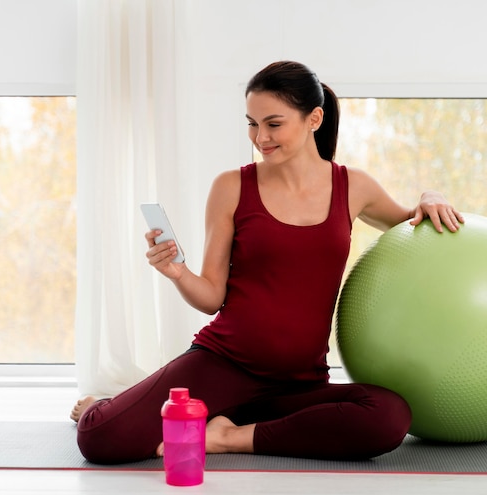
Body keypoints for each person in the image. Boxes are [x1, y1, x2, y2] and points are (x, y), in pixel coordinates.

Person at [71, 60, 464, 464]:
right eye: (252, 124)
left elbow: (409, 223)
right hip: (223, 365)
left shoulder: (354, 187)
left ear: (314, 119)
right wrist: (177, 272)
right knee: (101, 437)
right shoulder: (231, 187)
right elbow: (211, 297)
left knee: (389, 417)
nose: (260, 137)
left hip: (299, 385)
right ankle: (105, 405)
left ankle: (228, 436)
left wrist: (431, 194)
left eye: (273, 124)